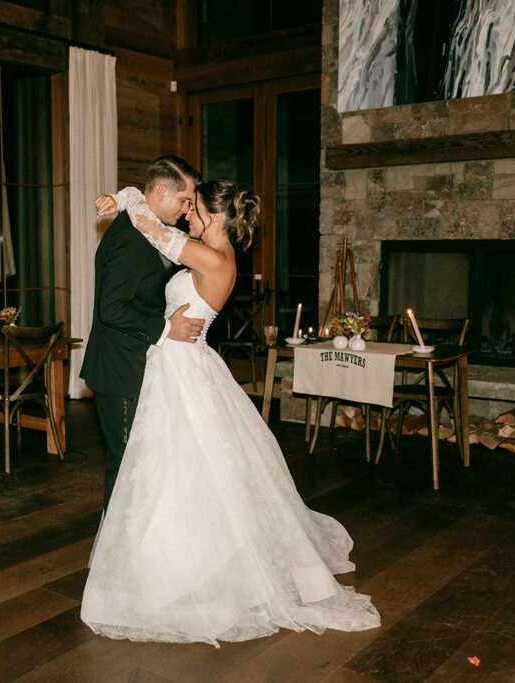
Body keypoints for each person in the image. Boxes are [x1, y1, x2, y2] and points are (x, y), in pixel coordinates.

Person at [80, 181, 380, 646]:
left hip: (182, 370)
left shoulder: (213, 258)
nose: (186, 216)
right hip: (175, 366)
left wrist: (128, 195)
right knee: (172, 469)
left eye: (194, 209)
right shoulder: (207, 251)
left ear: (217, 217)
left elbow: (145, 224)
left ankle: (187, 571)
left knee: (182, 470)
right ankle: (162, 561)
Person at [79, 155, 205, 511]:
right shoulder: (131, 239)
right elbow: (112, 308)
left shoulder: (143, 224)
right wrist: (167, 327)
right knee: (125, 465)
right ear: (162, 191)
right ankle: (115, 555)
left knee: (139, 461)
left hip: (135, 362)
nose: (185, 210)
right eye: (184, 201)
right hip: (119, 368)